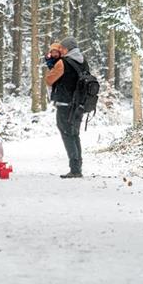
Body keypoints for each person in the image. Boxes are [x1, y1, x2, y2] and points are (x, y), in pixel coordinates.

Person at [45, 37, 88, 178]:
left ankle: (75, 169)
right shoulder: (83, 61)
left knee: (67, 134)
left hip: (65, 104)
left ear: (68, 49)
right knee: (74, 134)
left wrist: (52, 66)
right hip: (79, 104)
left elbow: (49, 80)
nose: (61, 51)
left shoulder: (63, 63)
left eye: (62, 48)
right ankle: (77, 167)